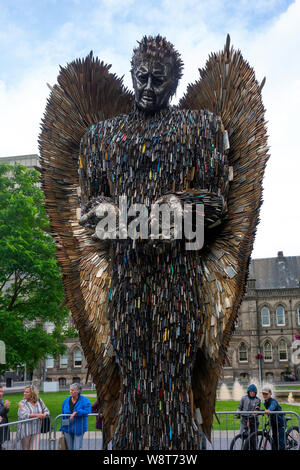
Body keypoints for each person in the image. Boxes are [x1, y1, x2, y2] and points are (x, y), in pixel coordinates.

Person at [17, 385, 50, 450]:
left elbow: (46, 410)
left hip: (36, 429)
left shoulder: (39, 401)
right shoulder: (22, 403)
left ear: (32, 393)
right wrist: (37, 415)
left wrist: (44, 414)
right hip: (25, 431)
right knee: (25, 448)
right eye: (24, 392)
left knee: (34, 448)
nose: (24, 393)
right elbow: (23, 415)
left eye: (27, 392)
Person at [61, 383, 92, 450]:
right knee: (69, 448)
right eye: (70, 390)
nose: (71, 391)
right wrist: (62, 427)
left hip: (79, 428)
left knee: (76, 448)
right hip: (67, 428)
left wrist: (77, 412)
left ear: (78, 391)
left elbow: (88, 410)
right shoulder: (66, 401)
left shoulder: (84, 400)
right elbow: (63, 415)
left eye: (73, 390)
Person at [236, 384, 261, 449]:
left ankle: (254, 447)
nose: (252, 393)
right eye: (251, 391)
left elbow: (257, 409)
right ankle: (246, 447)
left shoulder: (257, 400)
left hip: (253, 421)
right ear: (248, 392)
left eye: (254, 392)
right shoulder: (243, 398)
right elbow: (239, 407)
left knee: (253, 437)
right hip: (244, 420)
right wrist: (238, 413)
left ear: (255, 393)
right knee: (243, 435)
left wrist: (256, 412)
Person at [0, 385, 10, 450]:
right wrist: (5, 407)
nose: (1, 393)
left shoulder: (1, 400)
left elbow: (2, 413)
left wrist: (6, 408)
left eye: (2, 391)